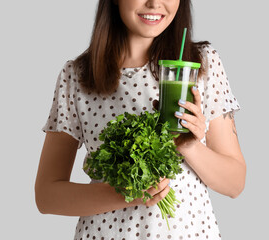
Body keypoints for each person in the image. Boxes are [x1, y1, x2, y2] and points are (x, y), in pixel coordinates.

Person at [35, 0, 246, 239]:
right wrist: (127, 193)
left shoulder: (201, 64)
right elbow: (47, 196)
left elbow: (234, 184)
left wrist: (189, 145)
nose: (154, 3)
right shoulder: (78, 76)